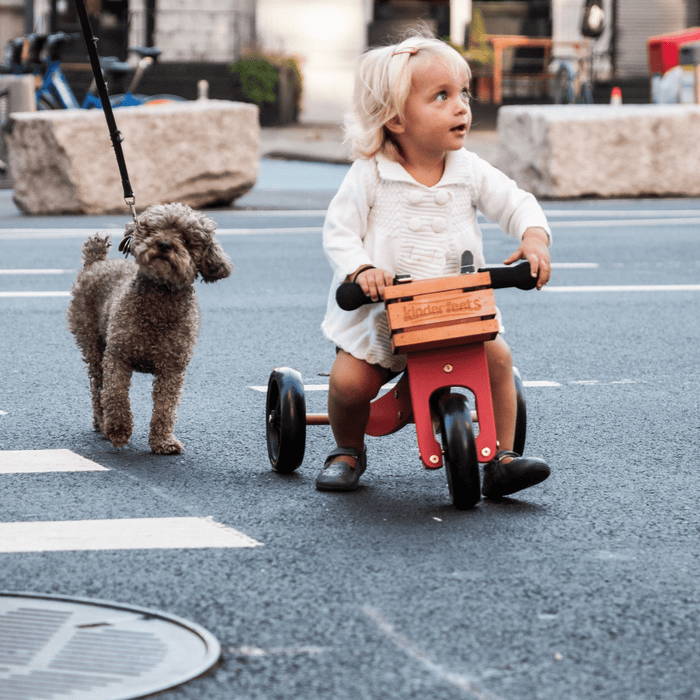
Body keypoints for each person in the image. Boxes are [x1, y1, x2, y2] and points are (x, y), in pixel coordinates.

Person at [317, 34, 552, 498]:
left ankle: (501, 456)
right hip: (382, 320)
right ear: (395, 117)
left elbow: (516, 202)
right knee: (349, 384)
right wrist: (362, 271)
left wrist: (533, 236)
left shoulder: (469, 168)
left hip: (458, 314)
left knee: (498, 359)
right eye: (441, 96)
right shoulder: (371, 174)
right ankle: (347, 450)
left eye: (463, 93)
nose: (461, 106)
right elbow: (338, 231)